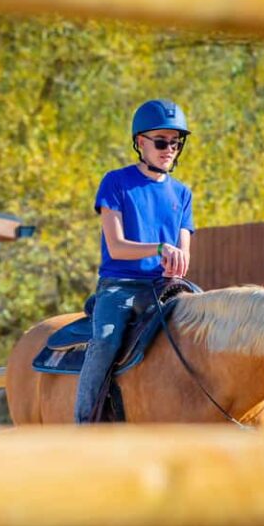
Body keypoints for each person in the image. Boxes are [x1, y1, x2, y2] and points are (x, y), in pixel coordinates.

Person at [74, 99, 195, 423]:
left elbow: (183, 250)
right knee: (105, 340)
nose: (169, 149)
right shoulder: (115, 182)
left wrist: (177, 261)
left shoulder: (183, 194)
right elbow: (116, 247)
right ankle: (84, 422)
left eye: (175, 142)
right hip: (121, 286)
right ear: (140, 142)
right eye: (161, 142)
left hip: (167, 287)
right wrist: (160, 249)